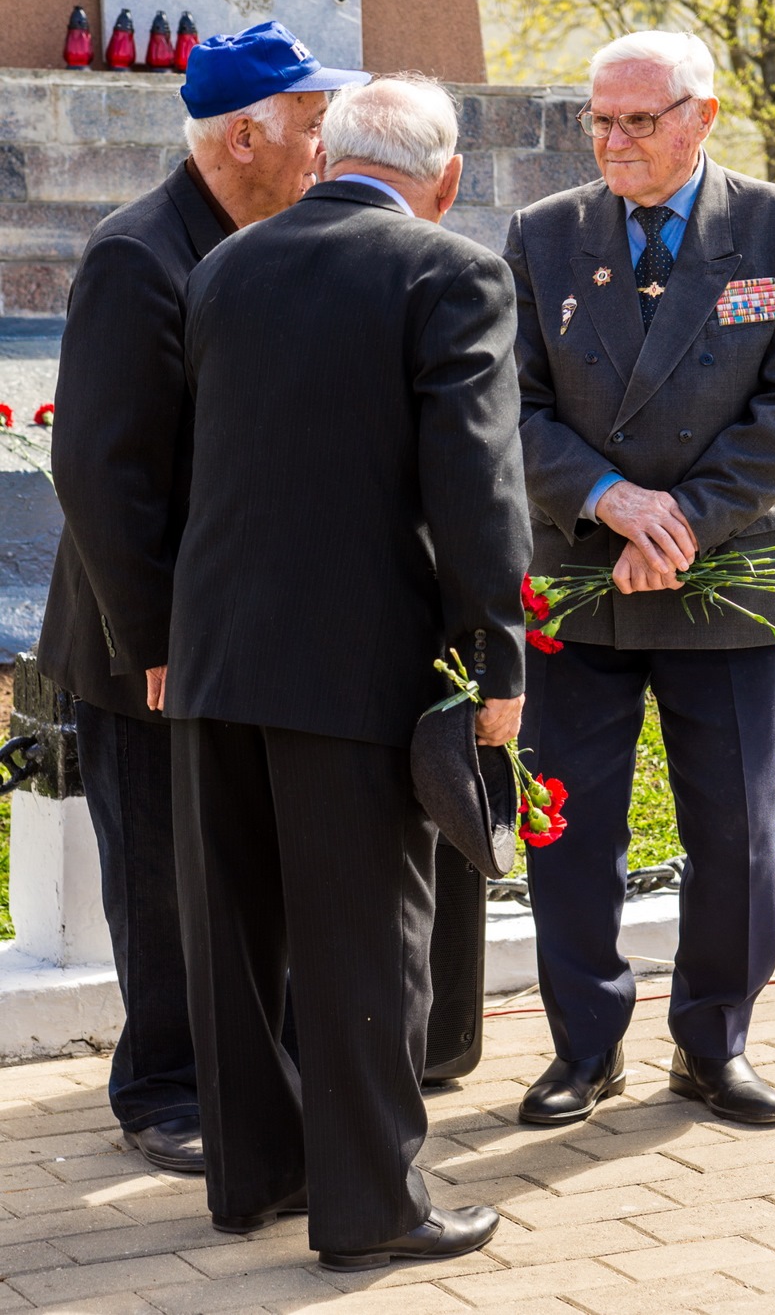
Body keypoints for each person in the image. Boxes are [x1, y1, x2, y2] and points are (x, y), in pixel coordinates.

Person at [162, 76, 532, 1266]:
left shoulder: (227, 265)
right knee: (370, 937)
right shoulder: (451, 272)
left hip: (218, 654)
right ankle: (373, 1207)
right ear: (447, 179)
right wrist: (498, 655)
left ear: (326, 159)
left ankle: (256, 1178)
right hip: (355, 661)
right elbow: (477, 485)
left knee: (236, 935)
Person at [37, 21, 369, 1173]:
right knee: (162, 880)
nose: (326, 147)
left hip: (244, 635)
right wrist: (158, 640)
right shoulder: (140, 253)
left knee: (239, 867)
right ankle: (165, 1090)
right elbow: (99, 470)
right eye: (314, 125)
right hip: (153, 642)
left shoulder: (270, 238)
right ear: (244, 137)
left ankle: (250, 1070)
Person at [505, 30, 775, 1128]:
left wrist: (681, 519)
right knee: (569, 830)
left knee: (735, 832)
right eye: (598, 119)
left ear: (702, 117)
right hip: (584, 568)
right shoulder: (544, 233)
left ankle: (713, 1043)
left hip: (729, 571)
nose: (613, 140)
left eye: (638, 120)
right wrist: (611, 498)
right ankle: (584, 1047)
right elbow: (513, 404)